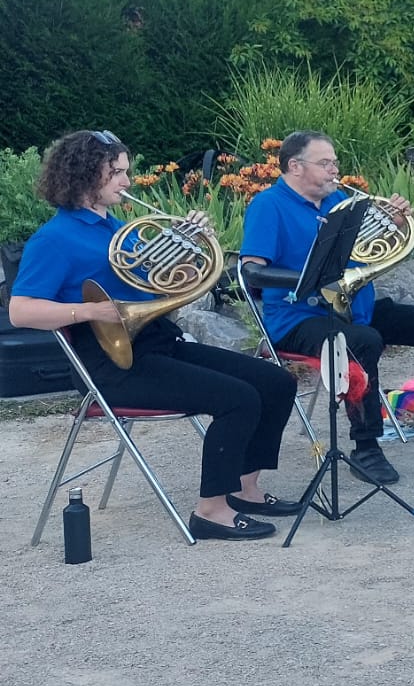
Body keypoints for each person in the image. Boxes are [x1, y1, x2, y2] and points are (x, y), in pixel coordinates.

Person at [8, 130, 299, 541]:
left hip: (157, 342)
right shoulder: (54, 239)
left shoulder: (114, 227)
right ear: (85, 175)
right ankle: (211, 510)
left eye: (126, 172)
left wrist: (189, 243)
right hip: (112, 364)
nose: (127, 181)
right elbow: (20, 312)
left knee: (276, 382)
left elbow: (158, 288)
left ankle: (244, 489)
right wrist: (89, 310)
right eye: (117, 173)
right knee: (238, 398)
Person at [239, 130, 414, 483]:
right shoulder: (268, 205)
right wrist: (312, 280)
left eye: (335, 162)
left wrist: (391, 224)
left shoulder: (338, 200)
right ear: (294, 166)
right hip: (298, 318)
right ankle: (366, 446)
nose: (334, 170)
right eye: (325, 163)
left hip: (354, 308)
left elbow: (367, 250)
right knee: (364, 340)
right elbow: (253, 272)